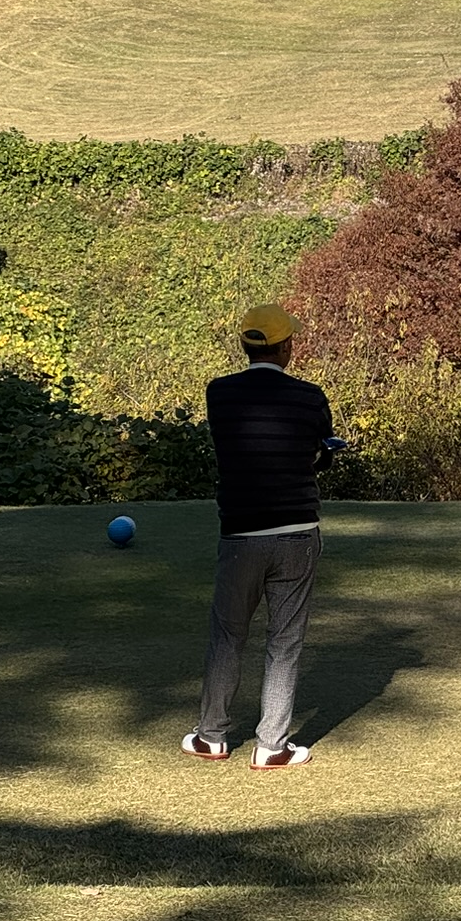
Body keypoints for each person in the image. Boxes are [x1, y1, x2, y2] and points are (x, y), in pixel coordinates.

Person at [181, 303, 335, 769]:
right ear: (285, 347)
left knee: (228, 636)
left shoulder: (220, 394)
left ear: (245, 344)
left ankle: (211, 736)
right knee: (284, 642)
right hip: (297, 532)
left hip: (241, 533)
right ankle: (272, 745)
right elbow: (318, 457)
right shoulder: (310, 397)